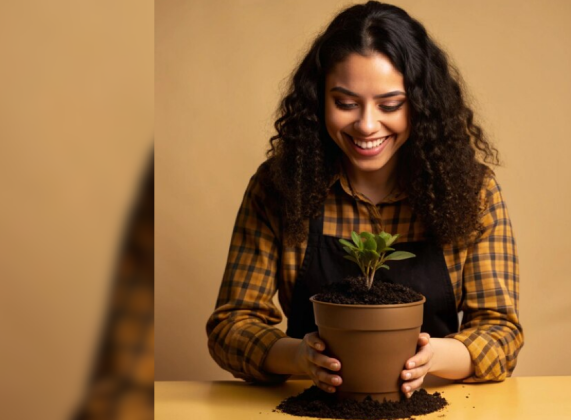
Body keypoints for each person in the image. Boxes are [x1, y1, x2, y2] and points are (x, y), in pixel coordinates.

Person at [206, 1, 523, 398]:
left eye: (390, 105)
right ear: (318, 100)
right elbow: (231, 324)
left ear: (422, 107)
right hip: (320, 404)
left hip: (436, 404)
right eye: (345, 103)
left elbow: (502, 332)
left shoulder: (474, 193)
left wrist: (435, 357)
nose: (367, 125)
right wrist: (298, 357)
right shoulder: (278, 188)